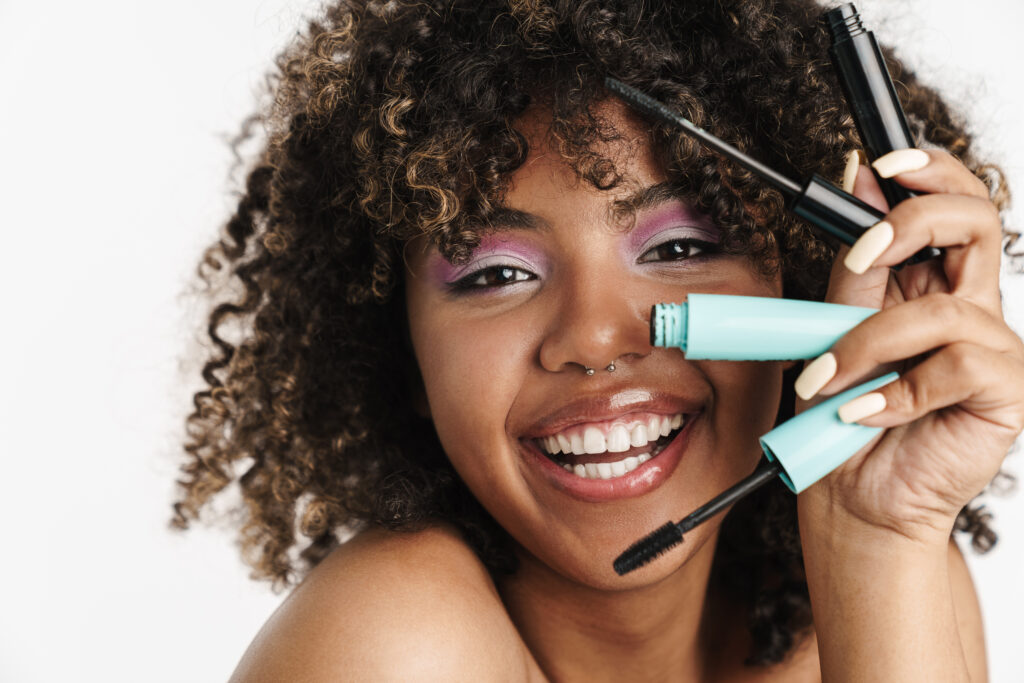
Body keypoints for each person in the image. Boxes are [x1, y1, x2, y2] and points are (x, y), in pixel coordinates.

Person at [172, 0, 1023, 679]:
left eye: (682, 248)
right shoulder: (390, 648)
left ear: (806, 285)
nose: (594, 339)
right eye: (494, 273)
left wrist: (876, 543)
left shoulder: (890, 584)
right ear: (402, 347)